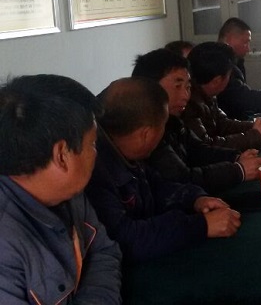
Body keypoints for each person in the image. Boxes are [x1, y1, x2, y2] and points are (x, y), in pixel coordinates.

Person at [86, 77, 242, 263]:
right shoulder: (93, 170)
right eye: (162, 125)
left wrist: (195, 199)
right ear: (146, 134)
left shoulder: (127, 151)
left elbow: (158, 186)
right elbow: (126, 239)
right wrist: (201, 226)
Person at [0, 74, 122, 304]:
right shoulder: (6, 245)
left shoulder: (69, 195)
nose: (96, 154)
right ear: (62, 155)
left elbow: (103, 253)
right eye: (92, 144)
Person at [132, 48, 261, 193]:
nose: (185, 96)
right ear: (149, 88)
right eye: (177, 86)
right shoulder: (145, 130)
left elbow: (198, 150)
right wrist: (238, 170)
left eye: (188, 87)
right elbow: (181, 179)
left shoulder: (173, 120)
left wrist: (235, 157)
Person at [185, 41, 261, 151]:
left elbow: (223, 125)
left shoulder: (206, 92)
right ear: (217, 81)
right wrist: (257, 136)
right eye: (229, 75)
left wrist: (255, 126)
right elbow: (207, 147)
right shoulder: (188, 103)